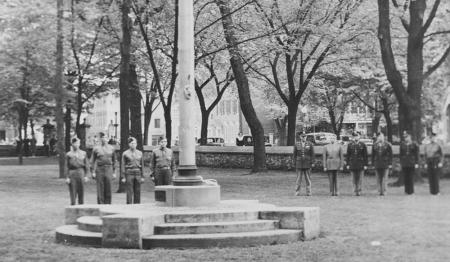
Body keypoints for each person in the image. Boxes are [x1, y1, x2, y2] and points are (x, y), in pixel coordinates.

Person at [90, 132, 117, 204]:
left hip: (109, 168)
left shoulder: (112, 148)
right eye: (102, 137)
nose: (104, 139)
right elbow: (92, 161)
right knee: (100, 188)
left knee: (108, 187)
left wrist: (114, 172)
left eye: (106, 138)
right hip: (99, 169)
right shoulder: (96, 148)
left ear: (108, 139)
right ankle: (100, 204)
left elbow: (114, 161)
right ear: (100, 139)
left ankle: (108, 205)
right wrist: (92, 172)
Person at [65, 137, 90, 205]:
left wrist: (86, 176)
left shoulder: (83, 153)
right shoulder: (68, 154)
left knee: (81, 191)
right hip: (72, 173)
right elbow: (67, 166)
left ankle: (81, 207)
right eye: (74, 143)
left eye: (77, 143)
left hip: (80, 172)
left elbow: (87, 165)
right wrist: (67, 177)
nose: (76, 145)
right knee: (73, 191)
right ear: (72, 144)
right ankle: (73, 207)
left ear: (79, 144)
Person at [121, 137, 145, 204]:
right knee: (129, 191)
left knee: (137, 191)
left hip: (138, 173)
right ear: (129, 144)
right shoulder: (125, 153)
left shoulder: (140, 153)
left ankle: (137, 206)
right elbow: (123, 165)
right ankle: (129, 206)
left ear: (136, 144)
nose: (133, 144)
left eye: (134, 143)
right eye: (132, 143)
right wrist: (123, 177)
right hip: (129, 173)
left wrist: (142, 176)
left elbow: (142, 165)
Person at [346, 132, 368, 196]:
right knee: (353, 179)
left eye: (357, 136)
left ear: (359, 137)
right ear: (353, 137)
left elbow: (365, 156)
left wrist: (365, 165)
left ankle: (359, 191)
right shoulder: (350, 145)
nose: (356, 137)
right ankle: (354, 191)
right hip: (352, 163)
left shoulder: (363, 145)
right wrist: (347, 164)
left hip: (360, 164)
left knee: (360, 179)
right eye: (354, 136)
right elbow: (348, 155)